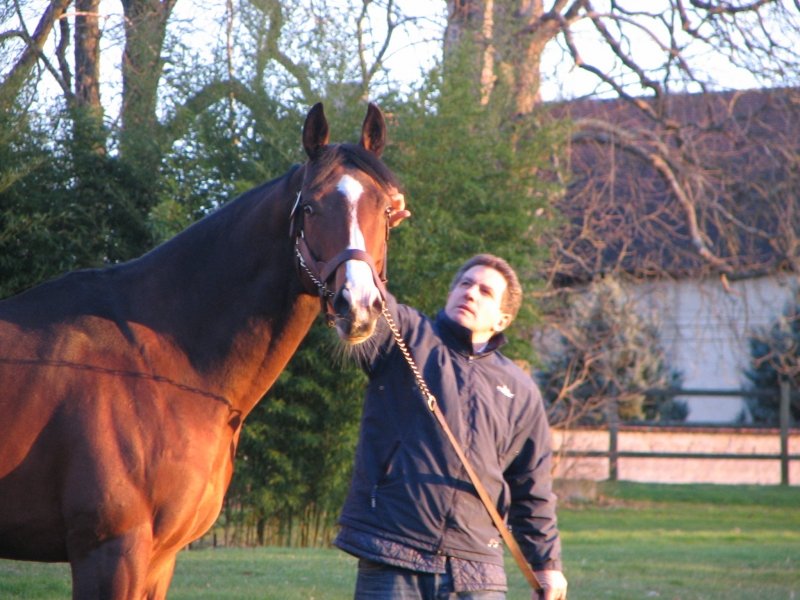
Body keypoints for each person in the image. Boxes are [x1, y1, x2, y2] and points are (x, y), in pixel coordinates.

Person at [334, 194, 567, 600]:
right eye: (464, 284)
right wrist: (376, 229)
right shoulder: (406, 335)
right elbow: (363, 296)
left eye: (485, 291)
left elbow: (531, 485)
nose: (470, 293)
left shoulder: (521, 389)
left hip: (478, 567)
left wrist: (546, 565)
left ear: (503, 319)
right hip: (394, 551)